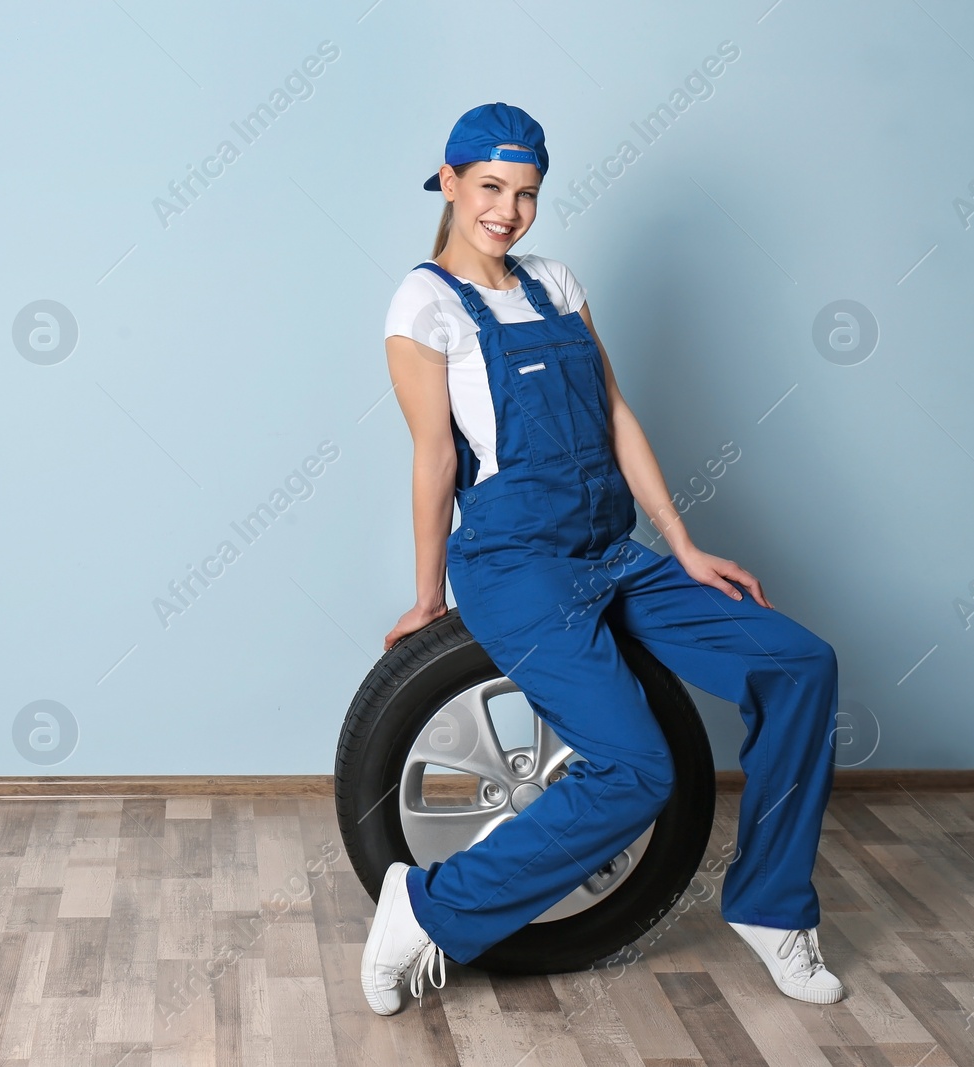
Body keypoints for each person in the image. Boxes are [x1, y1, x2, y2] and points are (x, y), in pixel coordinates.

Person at [359, 102, 844, 1016]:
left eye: (527, 193)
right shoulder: (423, 305)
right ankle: (426, 908)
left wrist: (685, 545)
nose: (508, 210)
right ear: (451, 182)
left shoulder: (554, 281)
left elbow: (617, 416)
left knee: (799, 663)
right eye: (492, 188)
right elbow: (433, 458)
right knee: (639, 769)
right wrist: (428, 596)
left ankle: (773, 906)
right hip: (515, 565)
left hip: (606, 551)